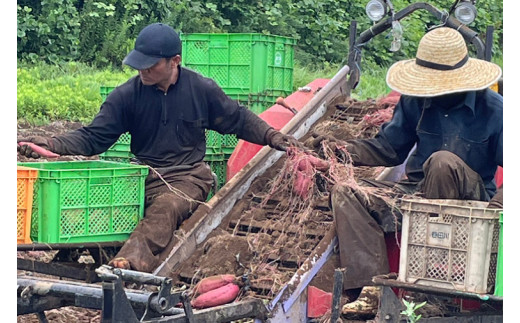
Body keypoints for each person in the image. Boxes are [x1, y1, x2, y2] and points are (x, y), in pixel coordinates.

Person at [17, 22, 301, 273]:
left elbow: (237, 118)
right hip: (142, 176)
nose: (143, 70)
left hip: (188, 177)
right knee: (93, 210)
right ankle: (73, 258)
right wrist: (54, 143)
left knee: (166, 207)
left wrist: (272, 136)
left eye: (151, 65)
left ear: (174, 61)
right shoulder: (127, 95)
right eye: (139, 63)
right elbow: (94, 137)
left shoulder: (201, 89)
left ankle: (126, 264)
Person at [312, 27, 503, 317]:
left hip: (470, 203)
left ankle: (436, 295)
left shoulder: (496, 111)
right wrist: (343, 150)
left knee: (442, 163)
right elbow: (390, 148)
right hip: (417, 192)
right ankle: (371, 290)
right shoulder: (415, 101)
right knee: (348, 193)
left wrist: (499, 208)